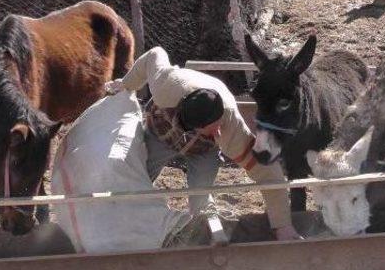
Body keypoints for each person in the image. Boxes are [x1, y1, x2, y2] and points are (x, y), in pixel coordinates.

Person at [106, 46, 301, 241]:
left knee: (200, 198)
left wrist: (282, 225)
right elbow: (154, 54)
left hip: (203, 150)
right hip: (161, 134)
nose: (217, 131)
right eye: (211, 129)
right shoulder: (166, 86)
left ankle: (198, 225)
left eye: (218, 125)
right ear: (193, 126)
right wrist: (125, 85)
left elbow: (266, 171)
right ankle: (123, 221)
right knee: (138, 179)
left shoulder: (229, 125)